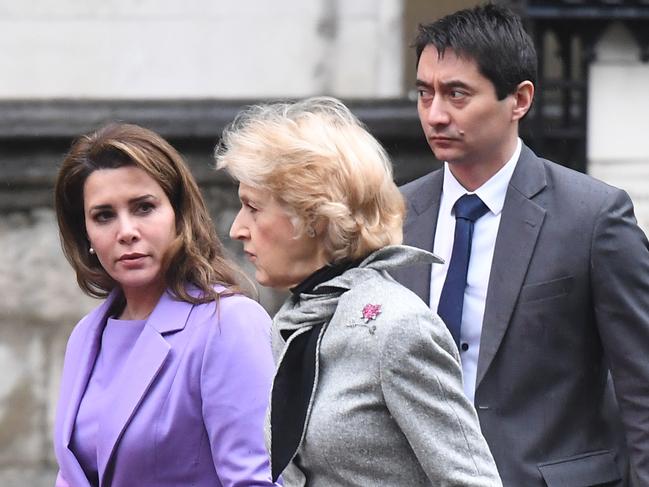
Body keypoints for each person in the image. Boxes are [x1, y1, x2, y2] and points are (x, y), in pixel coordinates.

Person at [390, 3, 649, 486]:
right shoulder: (394, 216)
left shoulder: (593, 217)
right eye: (424, 93)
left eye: (457, 94)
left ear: (520, 100)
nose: (436, 114)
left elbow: (642, 386)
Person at [215, 96, 502, 486]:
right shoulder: (297, 318)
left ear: (312, 215)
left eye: (253, 207)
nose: (237, 229)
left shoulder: (398, 327)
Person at [52, 123, 278, 487]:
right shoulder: (85, 337)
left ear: (179, 217)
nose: (126, 231)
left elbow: (256, 481)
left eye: (144, 208)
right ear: (86, 235)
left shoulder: (228, 322)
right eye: (104, 215)